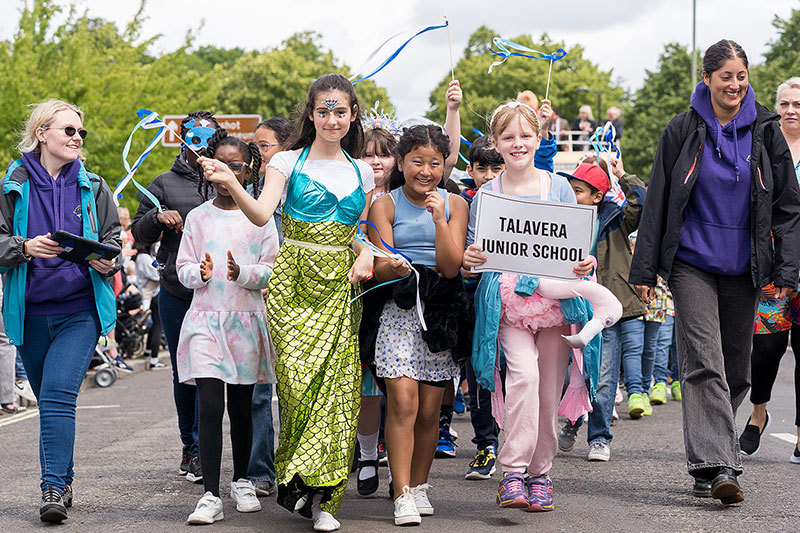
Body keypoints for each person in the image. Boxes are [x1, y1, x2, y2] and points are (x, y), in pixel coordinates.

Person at [199, 73, 374, 532]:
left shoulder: (363, 171)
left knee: (337, 392)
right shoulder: (288, 163)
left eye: (340, 110)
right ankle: (298, 484)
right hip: (293, 286)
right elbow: (260, 214)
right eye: (323, 111)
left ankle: (328, 499)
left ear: (352, 114)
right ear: (310, 115)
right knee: (297, 390)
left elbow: (360, 233)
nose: (332, 119)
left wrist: (367, 254)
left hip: (340, 287)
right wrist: (229, 180)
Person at [629, 40, 800, 504]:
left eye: (741, 76)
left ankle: (708, 459)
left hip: (745, 266)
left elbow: (787, 207)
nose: (735, 85)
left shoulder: (766, 132)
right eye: (726, 76)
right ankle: (721, 464)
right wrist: (645, 266)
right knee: (704, 361)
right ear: (707, 79)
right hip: (692, 263)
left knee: (736, 369)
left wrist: (786, 267)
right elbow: (659, 200)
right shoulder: (681, 129)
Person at [463, 101, 615, 514]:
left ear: (539, 138)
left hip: (555, 308)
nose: (518, 144)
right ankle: (511, 471)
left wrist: (587, 263)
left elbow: (578, 246)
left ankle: (540, 474)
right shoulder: (487, 196)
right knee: (524, 379)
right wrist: (470, 258)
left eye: (525, 136)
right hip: (509, 307)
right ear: (496, 143)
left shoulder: (558, 186)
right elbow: (474, 254)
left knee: (549, 392)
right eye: (508, 137)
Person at [0, 99, 121, 522]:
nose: (76, 138)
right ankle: (64, 478)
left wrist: (110, 259)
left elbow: (113, 237)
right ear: (42, 133)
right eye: (68, 130)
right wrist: (24, 247)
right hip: (29, 313)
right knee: (50, 402)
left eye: (80, 132)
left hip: (79, 311)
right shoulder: (10, 186)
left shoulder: (94, 184)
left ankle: (51, 488)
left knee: (55, 398)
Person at [365, 124, 469, 525]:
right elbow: (382, 266)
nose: (425, 171)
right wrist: (390, 263)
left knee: (429, 410)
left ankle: (421, 486)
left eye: (434, 164)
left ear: (444, 166)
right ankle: (402, 492)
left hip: (442, 311)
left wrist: (439, 218)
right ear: (401, 163)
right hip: (399, 308)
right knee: (403, 402)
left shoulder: (456, 204)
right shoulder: (384, 205)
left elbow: (449, 264)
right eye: (416, 162)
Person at [176, 130, 279, 525]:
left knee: (241, 406)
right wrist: (199, 274)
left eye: (235, 165)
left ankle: (242, 480)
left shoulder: (260, 216)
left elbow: (272, 268)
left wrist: (243, 272)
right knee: (209, 403)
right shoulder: (198, 217)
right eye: (218, 163)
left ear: (248, 169)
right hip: (205, 319)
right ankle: (209, 495)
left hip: (246, 320)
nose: (225, 171)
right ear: (207, 167)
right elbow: (182, 267)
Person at [132, 111, 221, 485]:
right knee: (186, 373)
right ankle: (193, 448)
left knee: (213, 374)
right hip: (176, 291)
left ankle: (209, 448)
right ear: (182, 138)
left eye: (210, 137)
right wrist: (157, 217)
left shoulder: (228, 179)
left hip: (221, 292)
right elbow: (138, 235)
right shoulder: (162, 182)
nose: (201, 145)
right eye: (194, 137)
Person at [556, 157, 646, 458]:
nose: (573, 195)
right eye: (571, 189)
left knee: (605, 377)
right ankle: (571, 421)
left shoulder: (616, 220)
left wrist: (623, 175)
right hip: (568, 306)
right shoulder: (561, 219)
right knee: (571, 374)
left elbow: (642, 203)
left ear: (597, 196)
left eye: (579, 190)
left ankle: (599, 438)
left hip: (604, 310)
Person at [739, 76, 800, 463]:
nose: (791, 110)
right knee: (765, 348)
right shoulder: (762, 147)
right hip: (772, 267)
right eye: (785, 104)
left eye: (799, 104)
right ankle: (759, 411)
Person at [248, 116, 293, 499]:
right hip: (253, 304)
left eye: (264, 146)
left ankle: (298, 466)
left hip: (297, 304)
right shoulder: (245, 193)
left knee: (296, 387)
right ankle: (260, 470)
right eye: (255, 145)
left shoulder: (298, 194)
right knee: (260, 390)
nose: (256, 152)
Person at [355, 125, 398, 498]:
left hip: (398, 298)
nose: (375, 161)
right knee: (368, 389)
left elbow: (446, 159)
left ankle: (397, 467)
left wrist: (452, 110)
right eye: (367, 153)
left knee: (399, 391)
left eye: (383, 154)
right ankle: (368, 456)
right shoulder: (350, 193)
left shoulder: (406, 194)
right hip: (361, 296)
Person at [133, 240, 165, 369]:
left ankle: (147, 351)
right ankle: (154, 359)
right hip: (153, 292)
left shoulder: (141, 257)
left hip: (149, 293)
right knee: (158, 326)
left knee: (154, 327)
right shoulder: (145, 258)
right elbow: (155, 275)